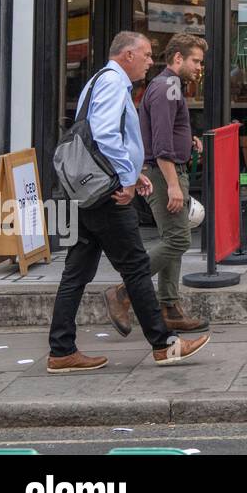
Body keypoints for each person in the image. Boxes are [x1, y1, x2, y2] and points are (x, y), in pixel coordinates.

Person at [47, 31, 210, 373]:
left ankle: (61, 350)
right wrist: (125, 180)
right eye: (146, 54)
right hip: (106, 195)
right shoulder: (112, 83)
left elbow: (96, 136)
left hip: (87, 190)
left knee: (76, 272)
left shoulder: (97, 82)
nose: (151, 61)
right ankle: (164, 345)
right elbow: (105, 135)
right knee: (135, 266)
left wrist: (134, 173)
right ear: (126, 55)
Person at [133, 31, 209, 333]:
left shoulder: (170, 86)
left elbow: (164, 130)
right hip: (164, 173)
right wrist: (174, 185)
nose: (199, 67)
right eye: (196, 61)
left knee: (173, 239)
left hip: (167, 168)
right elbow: (161, 142)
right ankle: (126, 292)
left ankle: (170, 307)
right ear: (178, 58)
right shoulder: (167, 87)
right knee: (178, 240)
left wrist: (186, 140)